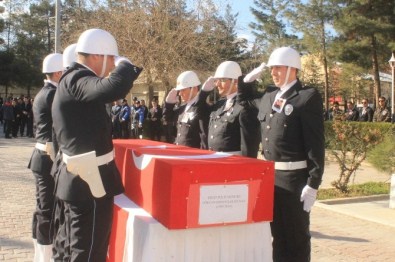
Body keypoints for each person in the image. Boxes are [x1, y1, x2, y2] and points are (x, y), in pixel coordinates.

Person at [51, 28, 142, 261]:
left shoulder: (72, 79)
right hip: (89, 183)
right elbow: (113, 88)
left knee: (77, 246)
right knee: (89, 251)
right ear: (96, 56)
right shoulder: (78, 78)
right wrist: (125, 64)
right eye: (111, 57)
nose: (112, 64)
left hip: (84, 179)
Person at [239, 47, 325, 261]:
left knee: (297, 238)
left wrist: (313, 183)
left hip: (295, 180)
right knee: (277, 236)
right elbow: (245, 101)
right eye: (273, 69)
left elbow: (315, 144)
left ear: (292, 69)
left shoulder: (306, 97)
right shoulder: (269, 96)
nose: (274, 73)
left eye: (278, 68)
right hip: (271, 179)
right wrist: (246, 82)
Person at [28, 53, 63, 261]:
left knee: (43, 207)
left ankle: (40, 251)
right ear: (58, 72)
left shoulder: (46, 92)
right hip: (46, 157)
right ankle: (45, 253)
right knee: (47, 209)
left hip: (43, 156)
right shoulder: (51, 94)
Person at [200, 61, 260, 157]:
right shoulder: (220, 104)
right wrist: (203, 93)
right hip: (213, 160)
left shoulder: (244, 106)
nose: (217, 84)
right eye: (216, 80)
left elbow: (249, 144)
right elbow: (199, 113)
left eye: (222, 80)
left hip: (232, 163)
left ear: (235, 81)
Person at [163, 71, 210, 148]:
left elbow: (204, 135)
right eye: (179, 91)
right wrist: (169, 104)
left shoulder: (203, 107)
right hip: (180, 150)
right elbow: (167, 118)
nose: (180, 94)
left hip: (193, 154)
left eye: (183, 90)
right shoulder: (183, 108)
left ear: (194, 88)